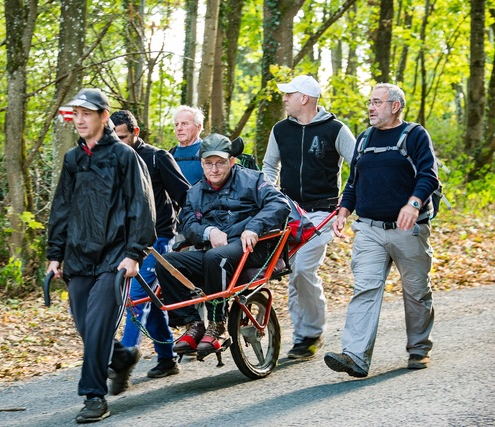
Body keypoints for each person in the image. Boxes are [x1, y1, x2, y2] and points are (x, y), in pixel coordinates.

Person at [46, 89, 156, 423]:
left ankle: (94, 396)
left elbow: (143, 206)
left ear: (103, 116)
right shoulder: (73, 159)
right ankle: (121, 357)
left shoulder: (124, 157)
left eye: (87, 114)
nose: (79, 120)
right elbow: (61, 209)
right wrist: (55, 255)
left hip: (115, 259)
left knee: (96, 325)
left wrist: (134, 253)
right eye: (75, 114)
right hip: (79, 258)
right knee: (85, 324)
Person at [324, 83, 438, 378]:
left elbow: (428, 175)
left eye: (377, 102)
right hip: (370, 230)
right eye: (370, 102)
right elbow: (353, 182)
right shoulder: (363, 139)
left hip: (409, 230)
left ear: (395, 106)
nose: (370, 107)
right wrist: (344, 211)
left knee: (416, 292)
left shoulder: (414, 135)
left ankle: (418, 348)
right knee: (365, 289)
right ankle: (355, 357)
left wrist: (413, 204)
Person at [156, 133, 291, 355]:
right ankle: (193, 324)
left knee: (214, 258)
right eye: (208, 164)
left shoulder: (252, 180)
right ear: (202, 164)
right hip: (213, 250)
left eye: (220, 163)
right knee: (166, 262)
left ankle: (218, 324)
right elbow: (187, 223)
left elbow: (279, 204)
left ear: (231, 161)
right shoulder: (195, 191)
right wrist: (208, 232)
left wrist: (254, 227)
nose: (214, 169)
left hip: (250, 247)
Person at [262, 75, 356, 359]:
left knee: (303, 270)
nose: (284, 98)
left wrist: (347, 203)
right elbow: (269, 167)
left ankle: (312, 332)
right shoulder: (280, 130)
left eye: (288, 94)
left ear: (304, 98)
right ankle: (303, 337)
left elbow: (360, 166)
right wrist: (271, 200)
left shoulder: (336, 130)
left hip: (322, 213)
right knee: (294, 276)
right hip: (289, 214)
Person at [110, 110, 191, 379]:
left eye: (122, 137)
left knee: (136, 296)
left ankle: (126, 355)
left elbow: (185, 197)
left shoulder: (157, 157)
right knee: (150, 300)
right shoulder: (111, 161)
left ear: (136, 133)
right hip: (127, 243)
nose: (117, 142)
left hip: (159, 240)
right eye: (113, 137)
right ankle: (167, 358)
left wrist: (187, 234)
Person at [170, 105, 205, 185]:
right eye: (176, 124)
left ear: (199, 127)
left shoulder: (208, 152)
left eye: (184, 124)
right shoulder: (170, 154)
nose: (179, 128)